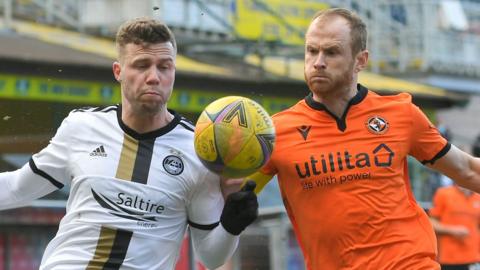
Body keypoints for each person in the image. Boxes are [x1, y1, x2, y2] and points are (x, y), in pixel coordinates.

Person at [227, 7, 480, 270]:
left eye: (332, 52)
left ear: (361, 60)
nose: (318, 61)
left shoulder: (401, 114)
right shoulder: (275, 131)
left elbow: (467, 170)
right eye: (312, 51)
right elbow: (232, 190)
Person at [0, 18, 258, 269]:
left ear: (174, 72)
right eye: (142, 65)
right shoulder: (81, 127)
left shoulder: (199, 151)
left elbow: (210, 258)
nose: (154, 77)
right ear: (118, 71)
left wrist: (231, 226)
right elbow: (16, 187)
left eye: (164, 66)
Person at [429, 184, 480, 270]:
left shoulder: (478, 196)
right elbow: (431, 223)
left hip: (474, 258)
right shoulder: (444, 193)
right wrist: (452, 230)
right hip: (448, 258)